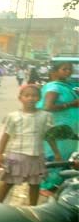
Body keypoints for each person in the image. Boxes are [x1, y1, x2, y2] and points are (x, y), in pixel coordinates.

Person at [0, 85, 61, 205]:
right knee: (8, 182)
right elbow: (6, 135)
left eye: (34, 95)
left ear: (39, 98)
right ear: (20, 98)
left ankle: (33, 208)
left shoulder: (46, 116)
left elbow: (50, 136)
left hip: (37, 156)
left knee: (35, 184)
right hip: (16, 155)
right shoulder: (13, 116)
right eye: (27, 95)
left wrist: (56, 152)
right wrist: (0, 154)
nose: (30, 98)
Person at [36, 62, 79, 195]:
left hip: (66, 130)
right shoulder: (54, 87)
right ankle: (46, 185)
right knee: (56, 156)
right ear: (55, 71)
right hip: (57, 129)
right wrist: (71, 104)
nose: (67, 72)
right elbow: (47, 107)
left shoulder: (65, 86)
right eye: (64, 69)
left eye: (69, 69)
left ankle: (55, 184)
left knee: (65, 156)